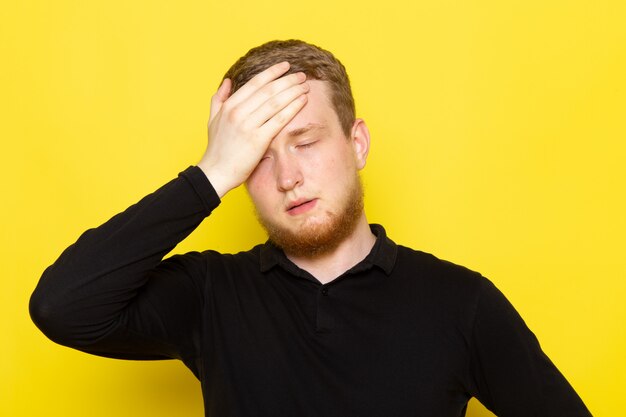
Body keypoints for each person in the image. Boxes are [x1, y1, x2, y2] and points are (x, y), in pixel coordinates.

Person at [30, 39, 591, 417]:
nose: (289, 177)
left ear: (357, 143)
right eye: (258, 158)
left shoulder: (460, 301)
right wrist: (212, 172)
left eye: (306, 142)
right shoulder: (211, 295)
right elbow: (62, 307)